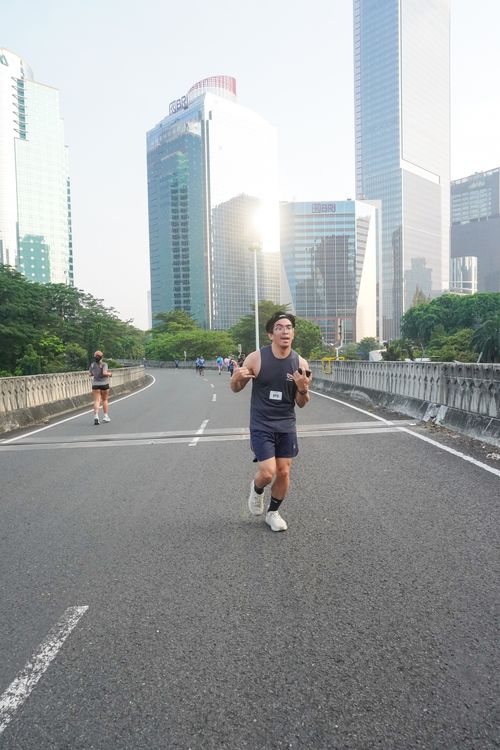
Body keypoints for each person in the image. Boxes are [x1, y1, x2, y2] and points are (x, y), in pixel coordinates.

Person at [230, 312, 311, 532]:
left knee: (283, 472)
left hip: (286, 423)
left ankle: (273, 513)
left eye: (288, 327)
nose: (285, 331)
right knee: (267, 472)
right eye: (279, 327)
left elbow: (302, 403)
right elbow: (236, 388)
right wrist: (235, 379)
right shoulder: (256, 358)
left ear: (293, 333)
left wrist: (303, 388)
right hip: (261, 423)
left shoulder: (300, 363)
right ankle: (257, 489)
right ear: (270, 334)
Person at [89, 350, 112, 425]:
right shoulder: (104, 364)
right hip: (104, 384)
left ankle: (96, 416)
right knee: (104, 400)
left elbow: (90, 374)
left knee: (96, 400)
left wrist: (96, 373)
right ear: (102, 357)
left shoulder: (92, 365)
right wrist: (110, 374)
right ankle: (105, 416)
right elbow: (104, 373)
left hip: (95, 384)